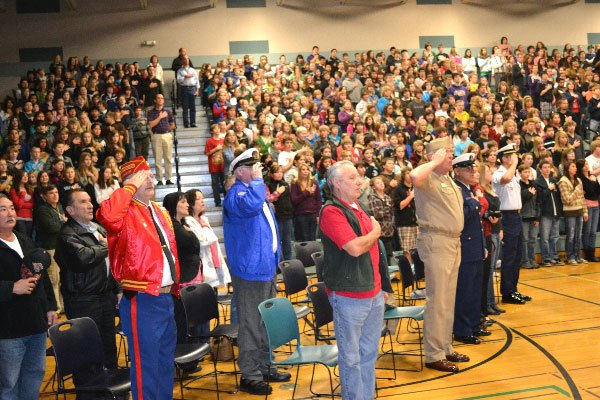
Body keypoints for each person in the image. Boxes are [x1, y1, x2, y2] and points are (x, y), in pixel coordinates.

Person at [96, 156, 180, 400]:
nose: (151, 180)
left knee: (164, 362)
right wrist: (129, 187)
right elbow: (108, 216)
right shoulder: (123, 212)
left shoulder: (159, 210)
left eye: (151, 175)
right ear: (129, 183)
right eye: (144, 177)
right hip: (142, 298)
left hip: (166, 296)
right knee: (146, 367)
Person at [319, 160, 392, 400]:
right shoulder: (332, 211)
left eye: (358, 176)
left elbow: (375, 252)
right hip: (349, 295)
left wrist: (383, 287)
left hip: (373, 291)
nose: (359, 180)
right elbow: (355, 248)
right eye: (352, 178)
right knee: (351, 358)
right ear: (336, 183)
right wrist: (375, 232)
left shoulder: (357, 206)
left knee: (369, 353)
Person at [222, 148, 290, 396]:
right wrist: (259, 181)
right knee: (251, 323)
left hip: (265, 268)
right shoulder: (237, 195)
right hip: (250, 271)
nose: (258, 170)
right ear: (241, 171)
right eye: (254, 167)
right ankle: (250, 375)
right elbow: (250, 207)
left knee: (265, 323)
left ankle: (264, 366)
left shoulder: (254, 193)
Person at [410, 137, 469, 373]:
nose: (451, 157)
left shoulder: (447, 179)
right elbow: (414, 176)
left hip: (453, 242)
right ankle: (434, 354)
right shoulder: (427, 178)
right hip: (437, 241)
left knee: (449, 299)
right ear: (434, 156)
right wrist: (434, 161)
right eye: (447, 153)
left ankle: (445, 346)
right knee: (438, 300)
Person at [54, 189, 119, 378]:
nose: (90, 205)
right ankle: (90, 393)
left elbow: (114, 261)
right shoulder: (67, 234)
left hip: (105, 296)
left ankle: (111, 390)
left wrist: (118, 288)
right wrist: (107, 244)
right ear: (70, 210)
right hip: (83, 299)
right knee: (87, 352)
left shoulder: (98, 228)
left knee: (108, 347)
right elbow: (83, 258)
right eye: (83, 202)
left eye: (90, 201)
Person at [0, 192, 58, 400]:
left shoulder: (25, 240)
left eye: (12, 208)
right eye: (3, 209)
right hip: (8, 329)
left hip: (36, 324)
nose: (10, 213)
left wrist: (51, 306)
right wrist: (10, 288)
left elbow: (42, 277)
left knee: (34, 375)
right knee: (9, 383)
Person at [451, 153, 488, 345]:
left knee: (474, 289)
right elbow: (461, 218)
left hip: (475, 246)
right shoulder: (457, 191)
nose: (473, 171)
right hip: (464, 247)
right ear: (457, 171)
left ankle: (473, 325)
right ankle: (462, 330)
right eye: (468, 168)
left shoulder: (468, 189)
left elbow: (478, 224)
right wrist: (475, 202)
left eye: (473, 168)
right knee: (465, 291)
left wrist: (482, 246)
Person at [492, 143, 531, 305]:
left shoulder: (512, 174)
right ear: (504, 158)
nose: (514, 158)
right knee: (509, 256)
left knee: (516, 256)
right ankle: (507, 292)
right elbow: (505, 179)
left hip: (516, 216)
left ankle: (513, 289)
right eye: (511, 156)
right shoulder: (499, 173)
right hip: (506, 217)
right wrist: (515, 164)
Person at [33, 184, 66, 314]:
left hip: (61, 247)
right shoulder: (42, 210)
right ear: (44, 196)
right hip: (50, 247)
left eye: (56, 192)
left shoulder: (59, 207)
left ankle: (63, 305)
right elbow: (51, 227)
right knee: (54, 278)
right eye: (51, 193)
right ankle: (56, 307)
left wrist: (63, 222)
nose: (55, 195)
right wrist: (64, 222)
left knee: (62, 278)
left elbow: (63, 224)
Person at [535, 160, 564, 267]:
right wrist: (548, 189)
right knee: (545, 237)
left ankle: (554, 256)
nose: (547, 169)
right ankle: (546, 258)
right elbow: (540, 199)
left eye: (548, 167)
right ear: (540, 169)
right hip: (545, 213)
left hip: (555, 212)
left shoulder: (554, 180)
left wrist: (560, 211)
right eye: (545, 167)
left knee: (555, 236)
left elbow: (558, 197)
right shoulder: (537, 182)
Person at [147, 94, 175, 186]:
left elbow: (172, 124)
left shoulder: (168, 111)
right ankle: (159, 179)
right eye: (158, 98)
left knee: (168, 158)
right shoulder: (151, 112)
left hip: (167, 134)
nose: (160, 100)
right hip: (156, 136)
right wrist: (160, 117)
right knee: (158, 158)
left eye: (162, 98)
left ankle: (168, 178)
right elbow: (151, 125)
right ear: (155, 100)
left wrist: (169, 129)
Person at [176, 57, 199, 128]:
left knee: (193, 107)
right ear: (182, 61)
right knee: (185, 107)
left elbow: (197, 81)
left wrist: (197, 90)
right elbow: (178, 80)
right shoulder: (180, 70)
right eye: (185, 59)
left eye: (187, 59)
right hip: (184, 89)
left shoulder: (193, 70)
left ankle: (193, 122)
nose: (186, 61)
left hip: (192, 88)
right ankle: (186, 123)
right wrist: (185, 76)